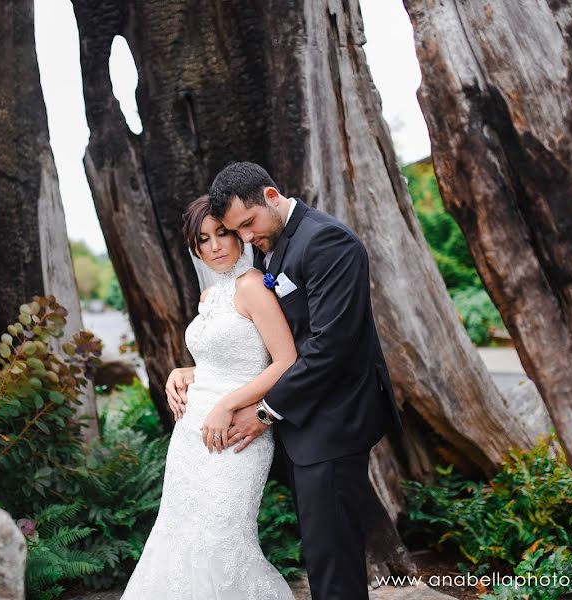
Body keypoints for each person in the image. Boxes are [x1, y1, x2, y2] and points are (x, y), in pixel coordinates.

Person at [169, 162, 403, 599]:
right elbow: (254, 343)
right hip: (305, 420)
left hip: (336, 418)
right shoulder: (268, 242)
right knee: (323, 551)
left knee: (333, 557)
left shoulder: (327, 241)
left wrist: (265, 411)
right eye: (234, 231)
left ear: (272, 196)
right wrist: (192, 372)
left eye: (246, 225)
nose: (243, 238)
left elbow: (330, 346)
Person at [120, 195, 295, 599]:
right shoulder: (209, 296)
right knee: (178, 535)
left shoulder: (253, 287)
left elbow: (285, 360)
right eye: (203, 239)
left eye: (222, 234)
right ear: (194, 248)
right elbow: (223, 360)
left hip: (236, 432)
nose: (215, 246)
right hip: (189, 439)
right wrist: (183, 372)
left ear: (238, 236)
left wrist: (228, 404)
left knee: (222, 539)